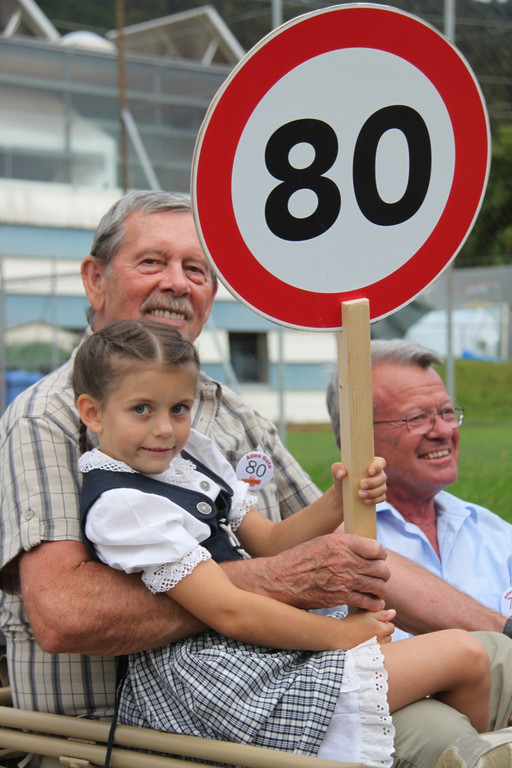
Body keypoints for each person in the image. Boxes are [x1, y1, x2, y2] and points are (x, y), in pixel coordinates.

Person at [1, 190, 512, 768]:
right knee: (461, 721)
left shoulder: (231, 423)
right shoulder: (52, 416)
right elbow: (64, 613)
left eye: (196, 269)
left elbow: (329, 551)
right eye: (152, 262)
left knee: (484, 671)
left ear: (212, 295)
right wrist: (280, 584)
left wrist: (341, 501)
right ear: (95, 279)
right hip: (126, 741)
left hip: (279, 675)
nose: (177, 282)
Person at [73, 318, 492, 767]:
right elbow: (228, 610)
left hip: (261, 649)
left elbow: (271, 542)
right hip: (215, 684)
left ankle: (467, 751)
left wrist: (338, 499)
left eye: (179, 408)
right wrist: (342, 635)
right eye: (142, 409)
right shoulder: (126, 505)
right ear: (93, 412)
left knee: (469, 659)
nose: (165, 429)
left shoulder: (188, 458)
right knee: (466, 654)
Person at [326, 339, 512, 643]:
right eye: (416, 418)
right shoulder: (334, 549)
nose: (443, 431)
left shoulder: (494, 533)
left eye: (447, 412)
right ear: (355, 440)